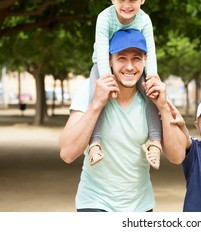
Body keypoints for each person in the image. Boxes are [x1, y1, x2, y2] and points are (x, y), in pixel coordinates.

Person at [59, 29, 183, 212]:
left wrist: (163, 107)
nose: (130, 66)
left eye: (136, 58)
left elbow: (177, 156)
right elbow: (67, 153)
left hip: (140, 206)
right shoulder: (89, 90)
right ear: (109, 60)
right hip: (95, 203)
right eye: (122, 58)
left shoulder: (153, 96)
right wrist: (97, 104)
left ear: (145, 61)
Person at [88, 0, 162, 169]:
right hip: (103, 62)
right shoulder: (105, 18)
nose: (127, 5)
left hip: (134, 63)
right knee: (96, 96)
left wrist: (153, 76)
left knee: (152, 94)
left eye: (133, 0)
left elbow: (151, 51)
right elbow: (102, 49)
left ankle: (155, 142)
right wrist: (106, 79)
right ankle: (94, 143)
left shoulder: (144, 19)